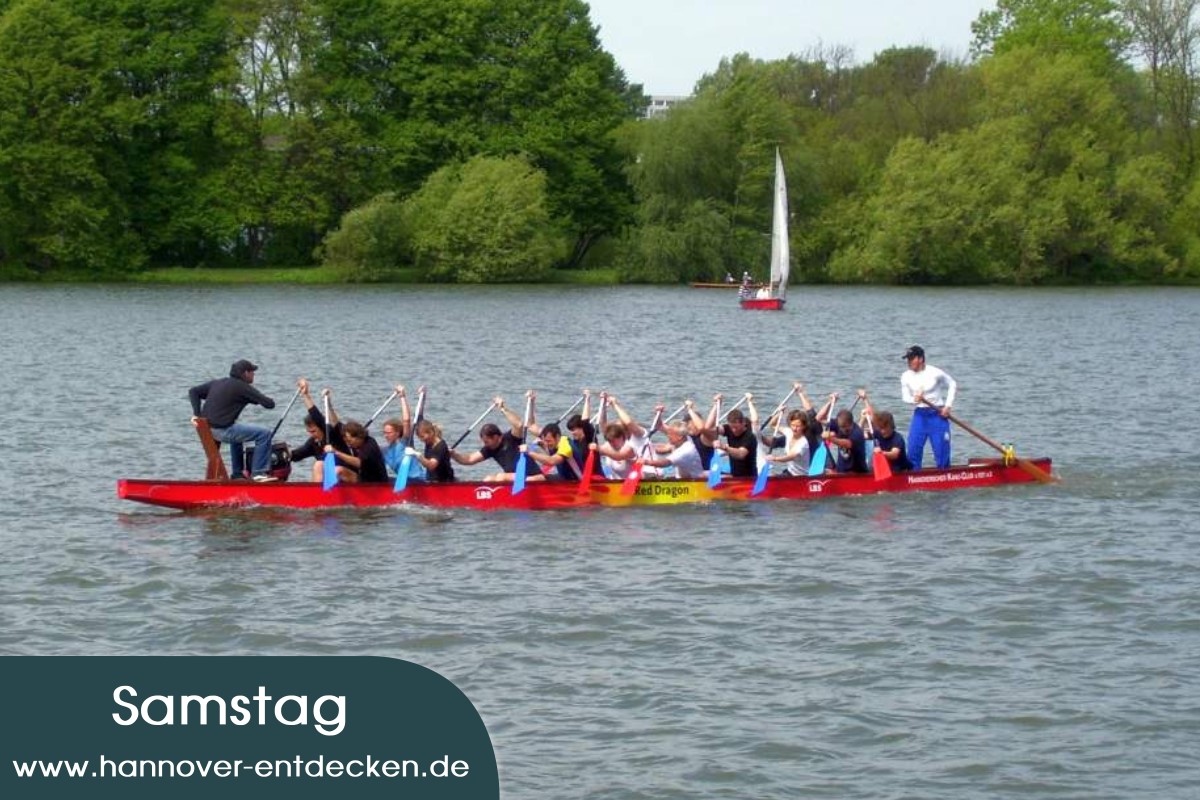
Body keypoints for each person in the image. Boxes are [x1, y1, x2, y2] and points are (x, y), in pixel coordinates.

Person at [188, 359, 277, 481]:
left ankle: (237, 474)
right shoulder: (243, 387)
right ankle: (258, 473)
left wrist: (197, 415)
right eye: (252, 372)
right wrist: (256, 398)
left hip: (208, 430)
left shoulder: (218, 382)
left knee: (237, 431)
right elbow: (269, 404)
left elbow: (193, 391)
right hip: (222, 431)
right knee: (264, 434)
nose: (254, 375)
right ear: (246, 373)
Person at [449, 394, 543, 483]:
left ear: (496, 437)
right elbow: (469, 459)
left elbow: (519, 425)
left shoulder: (512, 438)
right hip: (514, 479)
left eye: (487, 441)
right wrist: (453, 454)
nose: (485, 444)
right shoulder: (489, 449)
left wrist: (502, 408)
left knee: (501, 477)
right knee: (488, 480)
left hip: (532, 477)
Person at [900, 345, 957, 469]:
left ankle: (944, 478)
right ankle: (914, 479)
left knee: (941, 453)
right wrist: (913, 400)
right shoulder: (905, 376)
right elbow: (905, 397)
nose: (908, 362)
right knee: (913, 450)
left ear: (920, 359)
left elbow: (952, 384)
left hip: (937, 414)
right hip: (920, 415)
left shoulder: (935, 372)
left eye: (911, 358)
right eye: (907, 359)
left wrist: (948, 406)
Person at [287, 380, 350, 483]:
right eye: (309, 431)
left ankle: (317, 495)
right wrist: (285, 453)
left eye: (313, 431)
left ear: (321, 427)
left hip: (347, 475)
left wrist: (306, 395)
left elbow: (316, 415)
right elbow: (297, 455)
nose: (311, 435)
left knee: (319, 465)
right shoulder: (313, 443)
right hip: (331, 480)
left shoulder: (332, 434)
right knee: (319, 465)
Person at [859, 390, 912, 472]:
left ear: (891, 426)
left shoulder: (897, 438)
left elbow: (894, 454)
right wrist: (863, 418)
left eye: (885, 428)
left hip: (901, 470)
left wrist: (882, 453)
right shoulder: (877, 433)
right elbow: (857, 435)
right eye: (881, 428)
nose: (882, 431)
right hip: (885, 469)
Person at [642, 421, 706, 479]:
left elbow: (665, 463)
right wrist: (659, 413)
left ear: (679, 437)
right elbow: (660, 426)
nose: (668, 436)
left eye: (670, 434)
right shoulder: (686, 438)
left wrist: (646, 462)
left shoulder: (685, 451)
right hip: (684, 479)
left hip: (693, 483)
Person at [714, 395, 759, 478]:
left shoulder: (750, 437)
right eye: (732, 427)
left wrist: (724, 447)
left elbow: (741, 454)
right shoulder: (728, 429)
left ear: (743, 423)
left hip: (749, 478)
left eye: (736, 427)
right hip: (735, 475)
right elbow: (712, 428)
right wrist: (716, 406)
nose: (734, 430)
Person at [761, 409, 814, 476]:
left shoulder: (803, 443)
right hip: (789, 472)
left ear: (804, 426)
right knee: (770, 475)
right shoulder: (789, 432)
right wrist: (780, 413)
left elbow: (790, 457)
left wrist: (774, 458)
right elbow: (773, 425)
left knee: (772, 476)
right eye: (793, 425)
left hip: (800, 476)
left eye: (798, 426)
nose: (795, 428)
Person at [822, 409, 869, 473]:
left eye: (844, 427)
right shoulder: (839, 424)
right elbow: (820, 418)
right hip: (841, 471)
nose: (841, 429)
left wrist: (830, 438)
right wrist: (830, 402)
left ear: (851, 424)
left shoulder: (857, 433)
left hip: (857, 473)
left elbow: (847, 443)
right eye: (840, 427)